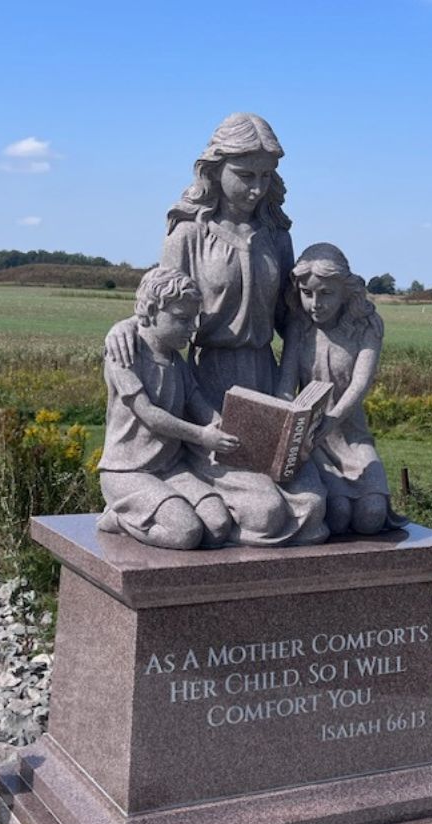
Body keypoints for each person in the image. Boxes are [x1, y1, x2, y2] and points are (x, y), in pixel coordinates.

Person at [160, 112, 326, 545]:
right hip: (208, 386)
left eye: (266, 177)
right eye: (245, 175)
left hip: (268, 383)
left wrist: (289, 394)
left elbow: (290, 323)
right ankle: (196, 491)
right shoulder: (188, 236)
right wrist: (201, 417)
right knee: (266, 514)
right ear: (215, 171)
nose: (256, 188)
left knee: (313, 508)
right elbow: (159, 323)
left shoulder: (276, 237)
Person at [95, 267, 237, 548]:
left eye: (193, 319)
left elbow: (197, 403)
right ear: (150, 311)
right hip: (128, 471)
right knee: (185, 533)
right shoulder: (125, 355)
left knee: (219, 525)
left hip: (170, 468)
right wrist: (202, 436)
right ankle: (118, 518)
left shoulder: (175, 360)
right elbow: (150, 415)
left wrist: (224, 427)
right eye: (182, 319)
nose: (192, 328)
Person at [278, 243, 394, 535]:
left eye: (326, 293)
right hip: (312, 440)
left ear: (346, 291)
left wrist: (331, 420)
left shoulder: (367, 326)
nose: (315, 303)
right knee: (339, 515)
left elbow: (360, 384)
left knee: (372, 515)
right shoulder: (299, 326)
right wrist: (290, 427)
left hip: (352, 435)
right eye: (307, 294)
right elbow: (285, 387)